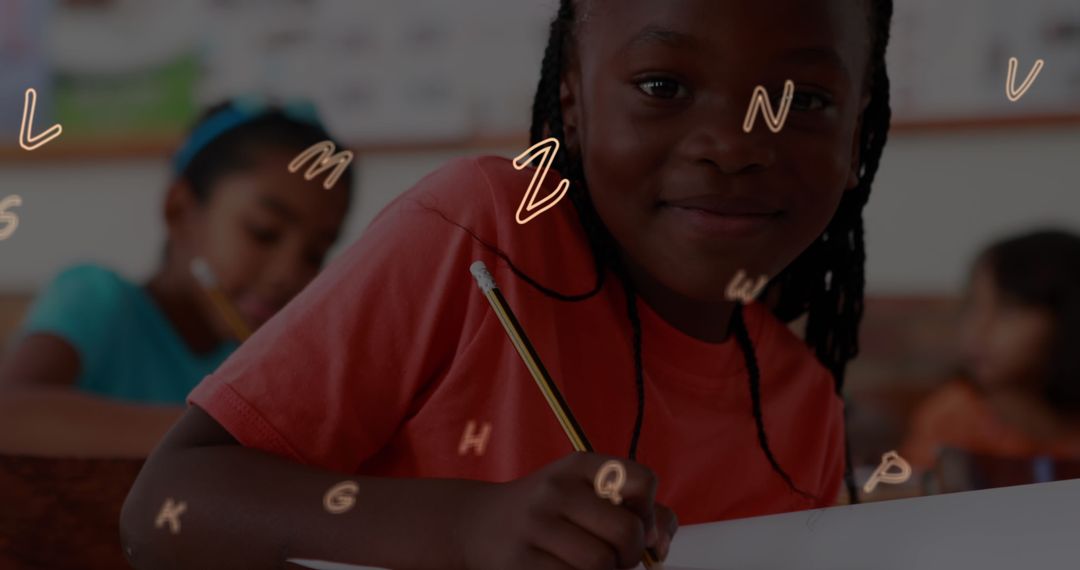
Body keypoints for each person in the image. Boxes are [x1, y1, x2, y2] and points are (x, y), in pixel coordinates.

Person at [122, 1, 895, 568]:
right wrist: (468, 526)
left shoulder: (802, 408)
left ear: (857, 132)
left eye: (806, 101)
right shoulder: (482, 233)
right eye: (662, 86)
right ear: (573, 97)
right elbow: (165, 506)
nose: (732, 146)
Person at [0, 99, 354, 457]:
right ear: (180, 209)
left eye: (315, 254)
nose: (289, 274)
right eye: (264, 232)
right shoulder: (96, 298)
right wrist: (231, 428)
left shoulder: (262, 362)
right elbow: (9, 415)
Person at [902, 230, 1080, 472]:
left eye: (1008, 309)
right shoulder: (953, 418)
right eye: (973, 306)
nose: (978, 329)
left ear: (1067, 319)